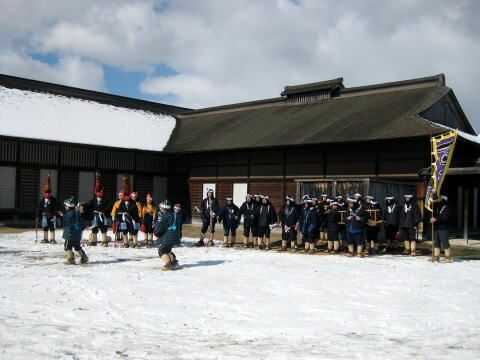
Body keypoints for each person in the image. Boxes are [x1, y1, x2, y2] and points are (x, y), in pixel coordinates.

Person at [154, 200, 181, 271]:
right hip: (175, 236)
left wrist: (156, 233)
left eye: (160, 208)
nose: (160, 209)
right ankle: (174, 261)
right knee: (167, 250)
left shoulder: (164, 216)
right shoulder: (175, 215)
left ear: (163, 208)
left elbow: (159, 229)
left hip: (168, 236)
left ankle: (168, 263)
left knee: (161, 251)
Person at [62, 196, 88, 265]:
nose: (65, 207)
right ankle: (84, 257)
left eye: (65, 206)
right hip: (77, 235)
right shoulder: (77, 213)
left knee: (67, 246)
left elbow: (65, 223)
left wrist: (62, 216)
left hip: (69, 235)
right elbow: (82, 224)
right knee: (77, 247)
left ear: (68, 207)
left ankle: (70, 258)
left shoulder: (68, 214)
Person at [85, 173, 110, 246]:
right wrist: (83, 205)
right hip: (95, 216)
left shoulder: (106, 200)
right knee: (94, 228)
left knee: (103, 228)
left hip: (102, 216)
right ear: (96, 193)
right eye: (99, 192)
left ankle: (104, 241)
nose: (101, 193)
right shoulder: (93, 200)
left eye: (102, 192)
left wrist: (104, 211)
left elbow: (108, 206)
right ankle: (93, 241)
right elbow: (88, 205)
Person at [37, 174, 58, 244]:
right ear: (44, 193)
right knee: (45, 227)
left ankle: (52, 239)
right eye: (46, 193)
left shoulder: (53, 200)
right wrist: (38, 216)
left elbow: (56, 207)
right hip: (44, 216)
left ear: (51, 193)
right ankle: (45, 239)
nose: (47, 194)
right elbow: (39, 208)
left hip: (52, 216)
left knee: (52, 228)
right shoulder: (42, 200)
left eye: (49, 193)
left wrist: (55, 214)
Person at [431, 195, 451, 262]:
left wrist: (436, 219)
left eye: (441, 200)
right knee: (436, 243)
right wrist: (432, 218)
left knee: (445, 243)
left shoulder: (447, 208)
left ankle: (447, 257)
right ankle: (436, 256)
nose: (439, 201)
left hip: (443, 228)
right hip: (436, 227)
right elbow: (435, 215)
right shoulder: (437, 207)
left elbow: (445, 218)